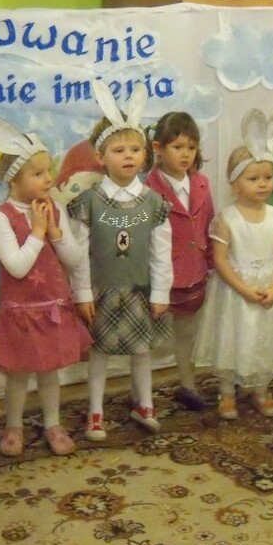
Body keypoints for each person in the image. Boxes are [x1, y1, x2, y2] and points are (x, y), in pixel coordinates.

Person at [67, 81, 173, 441]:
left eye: (135, 149)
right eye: (118, 150)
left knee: (141, 351)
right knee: (99, 353)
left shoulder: (154, 203)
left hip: (140, 289)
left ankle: (145, 404)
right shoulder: (89, 201)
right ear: (101, 157)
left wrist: (161, 292)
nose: (128, 156)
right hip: (103, 291)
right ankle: (95, 412)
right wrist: (82, 293)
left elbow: (161, 251)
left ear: (145, 154)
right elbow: (78, 253)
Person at [0, 117, 92, 457]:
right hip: (21, 312)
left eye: (49, 171)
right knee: (18, 373)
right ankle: (14, 425)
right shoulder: (1, 216)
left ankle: (52, 423)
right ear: (14, 179)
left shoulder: (54, 208)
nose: (48, 179)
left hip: (53, 307)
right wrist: (38, 232)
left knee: (49, 372)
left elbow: (74, 259)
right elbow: (17, 267)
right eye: (38, 173)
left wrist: (55, 233)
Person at [193, 110, 273, 420]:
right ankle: (226, 392)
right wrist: (244, 289)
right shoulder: (227, 219)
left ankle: (261, 389)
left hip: (268, 288)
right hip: (236, 292)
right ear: (235, 184)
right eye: (253, 178)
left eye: (267, 178)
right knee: (233, 338)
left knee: (263, 339)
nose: (263, 184)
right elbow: (220, 259)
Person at [144, 111, 215, 411]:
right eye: (178, 147)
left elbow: (208, 226)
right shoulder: (147, 190)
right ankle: (141, 394)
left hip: (193, 275)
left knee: (187, 335)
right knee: (146, 340)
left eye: (191, 147)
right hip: (157, 278)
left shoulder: (202, 184)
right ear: (158, 148)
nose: (185, 154)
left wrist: (210, 264)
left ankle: (188, 385)